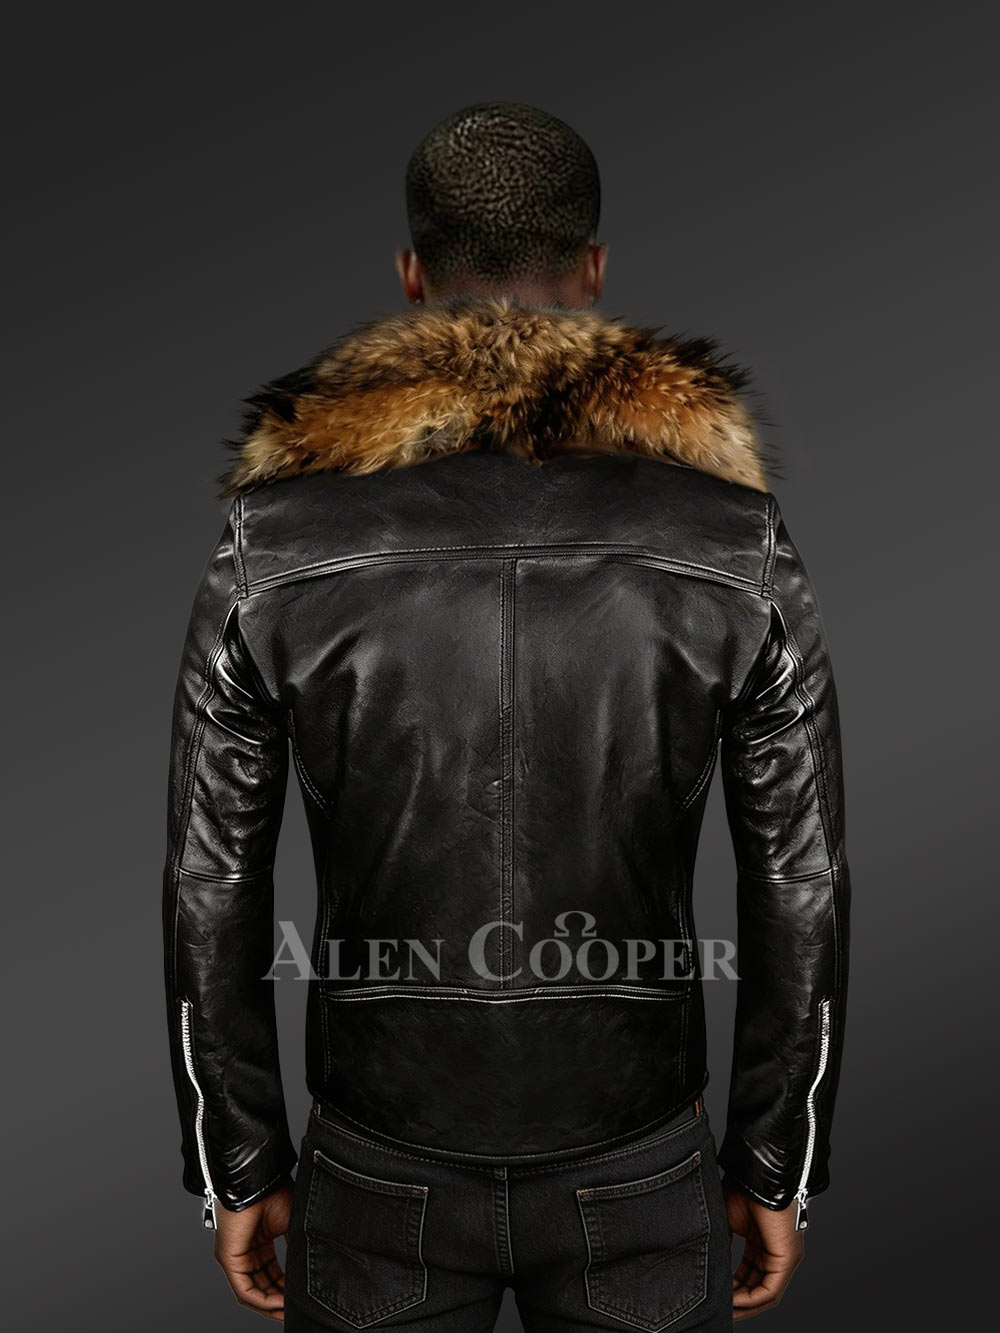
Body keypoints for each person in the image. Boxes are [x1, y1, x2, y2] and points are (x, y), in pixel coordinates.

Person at [162, 102, 851, 1330]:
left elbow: (210, 883)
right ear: (594, 269)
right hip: (638, 1163)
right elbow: (799, 883)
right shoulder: (726, 543)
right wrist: (771, 1160)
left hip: (375, 1169)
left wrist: (241, 1160)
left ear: (411, 274)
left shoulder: (277, 547)